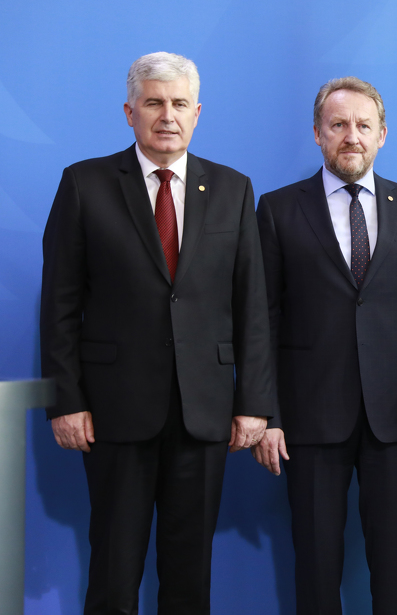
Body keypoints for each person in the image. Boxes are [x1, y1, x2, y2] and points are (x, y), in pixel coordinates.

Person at [39, 52, 273, 613]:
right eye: (154, 103)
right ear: (129, 112)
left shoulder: (234, 189)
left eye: (179, 104)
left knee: (190, 573)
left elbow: (252, 306)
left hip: (205, 412)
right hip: (114, 410)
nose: (168, 115)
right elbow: (59, 305)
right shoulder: (84, 183)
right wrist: (65, 401)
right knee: (114, 571)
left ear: (197, 113)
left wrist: (253, 403)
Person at [252, 76, 397, 614]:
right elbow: (261, 322)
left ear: (382, 135)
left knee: (396, 570)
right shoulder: (277, 209)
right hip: (308, 420)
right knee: (316, 568)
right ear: (317, 133)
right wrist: (267, 415)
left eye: (364, 125)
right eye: (339, 124)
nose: (352, 136)